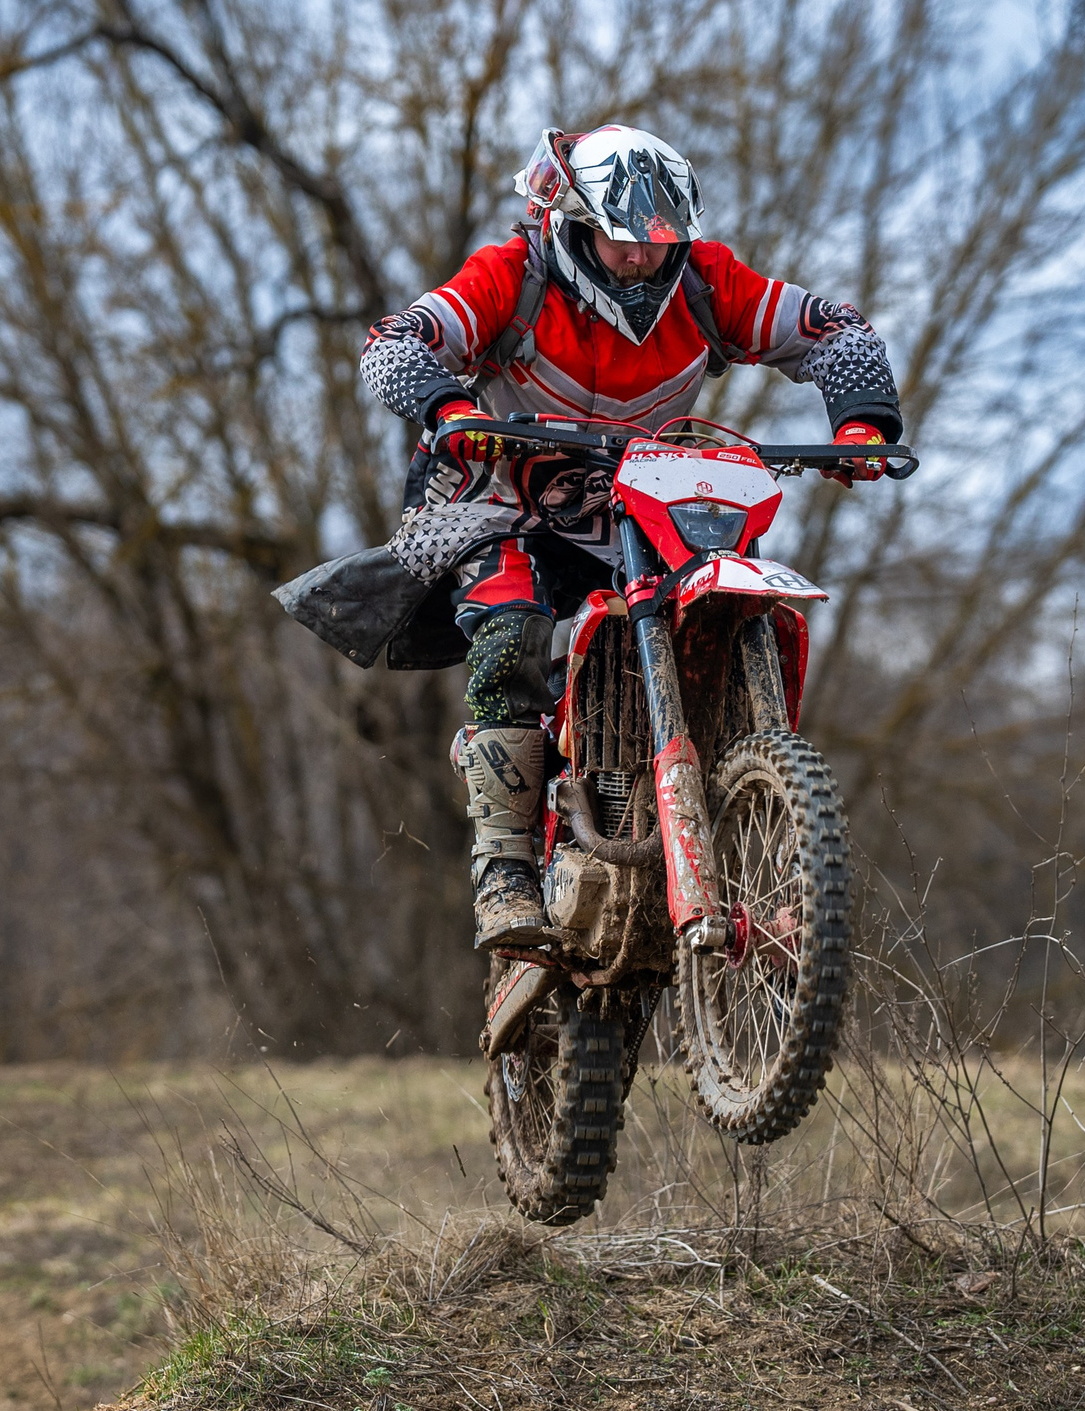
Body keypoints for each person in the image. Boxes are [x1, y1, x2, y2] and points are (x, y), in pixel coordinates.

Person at [352, 125, 905, 949]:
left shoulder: (709, 283)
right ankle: (503, 873)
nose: (644, 259)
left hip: (644, 511)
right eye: (622, 241)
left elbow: (833, 328)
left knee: (730, 593)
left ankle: (739, 794)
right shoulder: (511, 275)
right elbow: (394, 344)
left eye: (660, 241)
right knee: (510, 631)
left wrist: (861, 422)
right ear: (572, 224)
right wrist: (449, 406)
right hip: (509, 505)